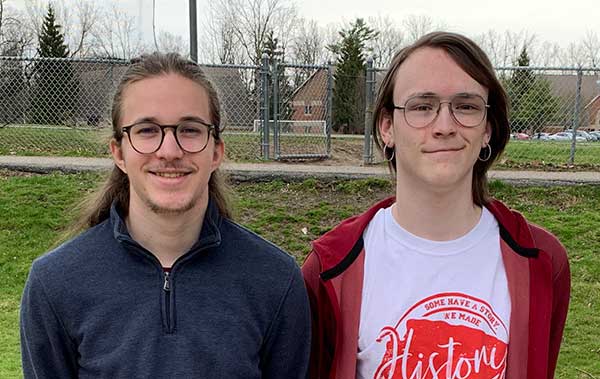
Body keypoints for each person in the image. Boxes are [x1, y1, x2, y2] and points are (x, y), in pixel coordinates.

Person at [20, 52, 311, 378]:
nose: (170, 151)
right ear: (118, 152)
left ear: (216, 152)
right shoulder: (56, 283)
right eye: (147, 130)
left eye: (189, 129)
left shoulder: (275, 279)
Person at [302, 32, 570, 379]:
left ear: (487, 128)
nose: (444, 126)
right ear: (387, 127)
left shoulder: (543, 263)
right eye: (422, 107)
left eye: (466, 106)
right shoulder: (329, 270)